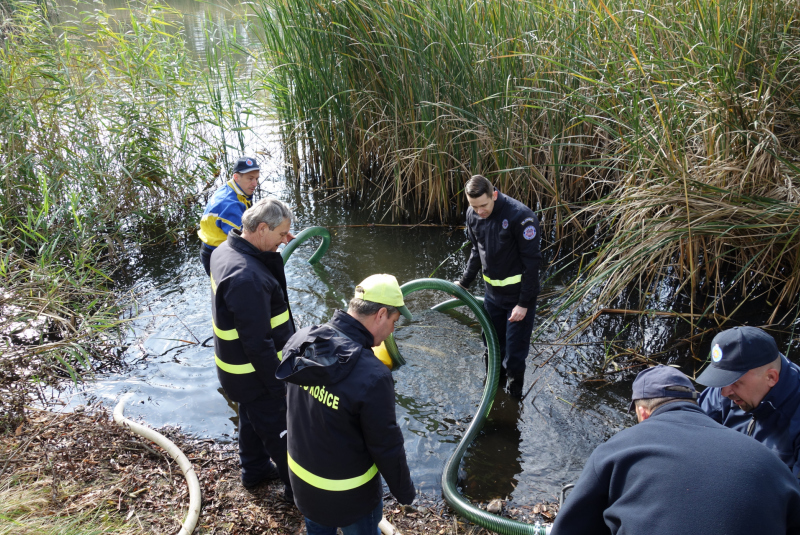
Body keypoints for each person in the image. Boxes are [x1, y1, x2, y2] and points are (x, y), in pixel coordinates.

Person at [552, 365, 800, 535]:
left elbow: (569, 529)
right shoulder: (768, 461)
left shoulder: (617, 449)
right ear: (695, 403)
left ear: (643, 412)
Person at [276, 274, 416, 535]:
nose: (392, 331)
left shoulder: (302, 341)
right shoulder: (373, 376)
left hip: (303, 484)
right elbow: (386, 445)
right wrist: (405, 492)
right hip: (350, 498)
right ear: (381, 314)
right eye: (394, 322)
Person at [210, 197, 296, 500]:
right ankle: (297, 492)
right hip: (255, 374)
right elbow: (257, 343)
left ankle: (254, 469)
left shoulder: (225, 250)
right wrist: (277, 385)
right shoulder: (248, 277)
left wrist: (276, 243)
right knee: (280, 430)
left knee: (250, 416)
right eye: (281, 234)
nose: (285, 241)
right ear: (261, 228)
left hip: (235, 371)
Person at [455, 174, 542, 398]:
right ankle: (492, 392)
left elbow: (532, 266)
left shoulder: (521, 217)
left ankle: (513, 400)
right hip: (492, 298)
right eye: (473, 206)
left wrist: (523, 304)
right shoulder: (473, 215)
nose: (479, 211)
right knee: (492, 348)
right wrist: (464, 282)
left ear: (494, 195)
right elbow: (477, 250)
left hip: (518, 301)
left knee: (513, 355)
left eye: (483, 205)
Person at [697, 326, 800, 480]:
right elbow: (688, 425)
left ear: (771, 378)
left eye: (734, 382)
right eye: (721, 380)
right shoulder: (726, 391)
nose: (724, 393)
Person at [198, 156, 260, 276]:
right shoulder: (229, 204)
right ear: (236, 177)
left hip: (218, 247)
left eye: (257, 179)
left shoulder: (233, 189)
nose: (255, 183)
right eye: (250, 179)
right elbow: (247, 239)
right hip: (216, 254)